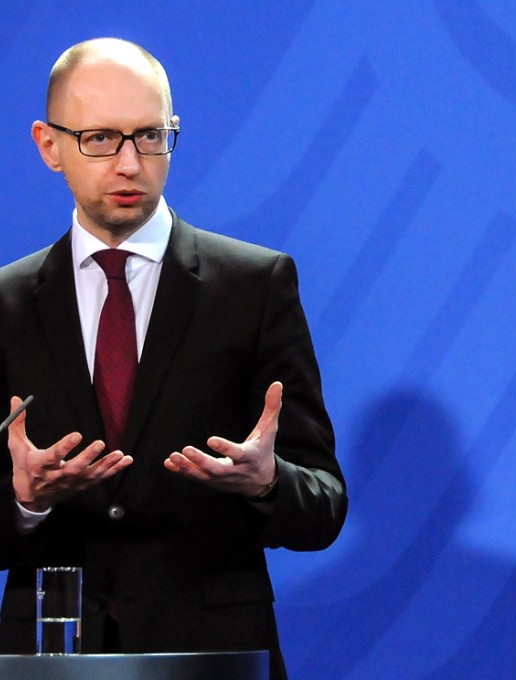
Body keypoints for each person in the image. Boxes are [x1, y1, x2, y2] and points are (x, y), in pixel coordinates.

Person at [0, 38, 346, 679]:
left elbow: (323, 505)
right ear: (49, 145)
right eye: (101, 138)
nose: (129, 163)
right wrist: (24, 498)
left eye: (150, 137)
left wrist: (266, 481)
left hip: (212, 654)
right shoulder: (6, 303)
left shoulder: (255, 285)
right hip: (51, 654)